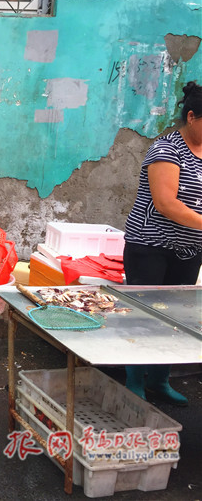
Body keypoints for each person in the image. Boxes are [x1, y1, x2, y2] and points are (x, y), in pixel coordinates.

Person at [122, 80, 202, 407]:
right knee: (145, 314)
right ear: (193, 117)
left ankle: (159, 380)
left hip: (189, 249)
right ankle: (133, 381)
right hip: (149, 247)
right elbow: (166, 203)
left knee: (175, 317)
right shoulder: (167, 149)